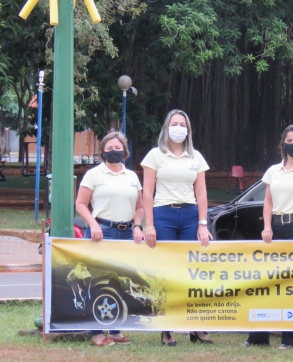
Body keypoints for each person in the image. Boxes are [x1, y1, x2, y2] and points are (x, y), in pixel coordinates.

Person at [244, 124, 293, 349]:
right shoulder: (273, 171)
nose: (292, 144)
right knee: (265, 282)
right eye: (289, 140)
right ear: (283, 143)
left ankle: (291, 339)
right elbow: (268, 201)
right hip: (275, 230)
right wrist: (267, 227)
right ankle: (258, 337)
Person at [141, 109, 213, 346]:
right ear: (167, 127)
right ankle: (167, 328)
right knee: (167, 272)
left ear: (188, 130)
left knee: (192, 271)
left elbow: (201, 193)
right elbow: (147, 193)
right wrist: (149, 225)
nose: (179, 127)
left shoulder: (196, 157)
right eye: (175, 123)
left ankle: (196, 327)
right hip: (163, 215)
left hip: (190, 215)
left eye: (183, 124)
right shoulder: (155, 155)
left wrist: (203, 224)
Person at [74, 131, 147, 347]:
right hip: (101, 232)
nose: (114, 151)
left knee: (120, 281)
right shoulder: (94, 174)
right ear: (102, 152)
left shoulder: (132, 176)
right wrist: (93, 224)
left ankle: (115, 331)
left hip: (126, 234)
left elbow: (140, 206)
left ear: (125, 151)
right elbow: (80, 204)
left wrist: (138, 226)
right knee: (98, 282)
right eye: (110, 148)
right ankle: (96, 333)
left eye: (118, 148)